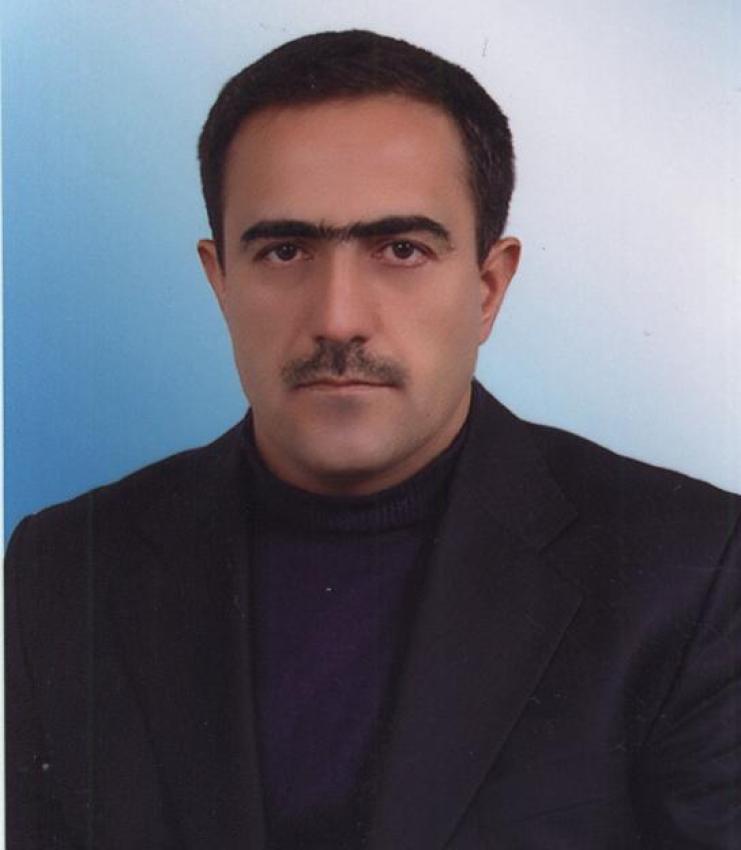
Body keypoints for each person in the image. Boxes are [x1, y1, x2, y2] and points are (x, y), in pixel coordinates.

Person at [5, 29, 740, 850]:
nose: (337, 318)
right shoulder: (62, 570)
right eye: (285, 250)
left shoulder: (696, 568)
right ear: (220, 281)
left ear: (488, 287)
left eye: (400, 249)